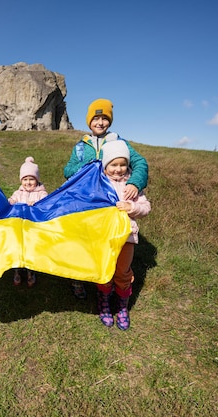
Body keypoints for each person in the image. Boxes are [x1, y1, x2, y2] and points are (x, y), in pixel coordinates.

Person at [63, 98, 149, 299]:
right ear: (89, 121)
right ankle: (78, 279)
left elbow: (140, 163)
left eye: (104, 118)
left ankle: (111, 281)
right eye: (96, 118)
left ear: (109, 121)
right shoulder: (80, 147)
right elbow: (68, 170)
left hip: (111, 204)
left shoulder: (120, 143)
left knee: (103, 246)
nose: (100, 122)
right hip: (87, 202)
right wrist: (91, 165)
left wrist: (134, 183)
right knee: (82, 241)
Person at [97, 140, 151, 329]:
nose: (118, 169)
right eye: (114, 165)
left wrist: (132, 207)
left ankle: (121, 305)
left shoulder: (132, 186)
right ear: (106, 165)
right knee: (105, 270)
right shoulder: (99, 183)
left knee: (122, 271)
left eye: (123, 164)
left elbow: (146, 208)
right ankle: (104, 301)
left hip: (127, 237)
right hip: (104, 237)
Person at [8, 156, 49, 287]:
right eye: (25, 179)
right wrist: (10, 202)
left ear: (37, 180)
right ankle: (17, 271)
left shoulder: (41, 193)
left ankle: (31, 271)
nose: (28, 182)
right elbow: (11, 200)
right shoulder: (18, 193)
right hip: (19, 228)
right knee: (17, 249)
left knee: (31, 250)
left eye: (32, 179)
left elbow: (46, 204)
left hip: (33, 229)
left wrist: (37, 203)